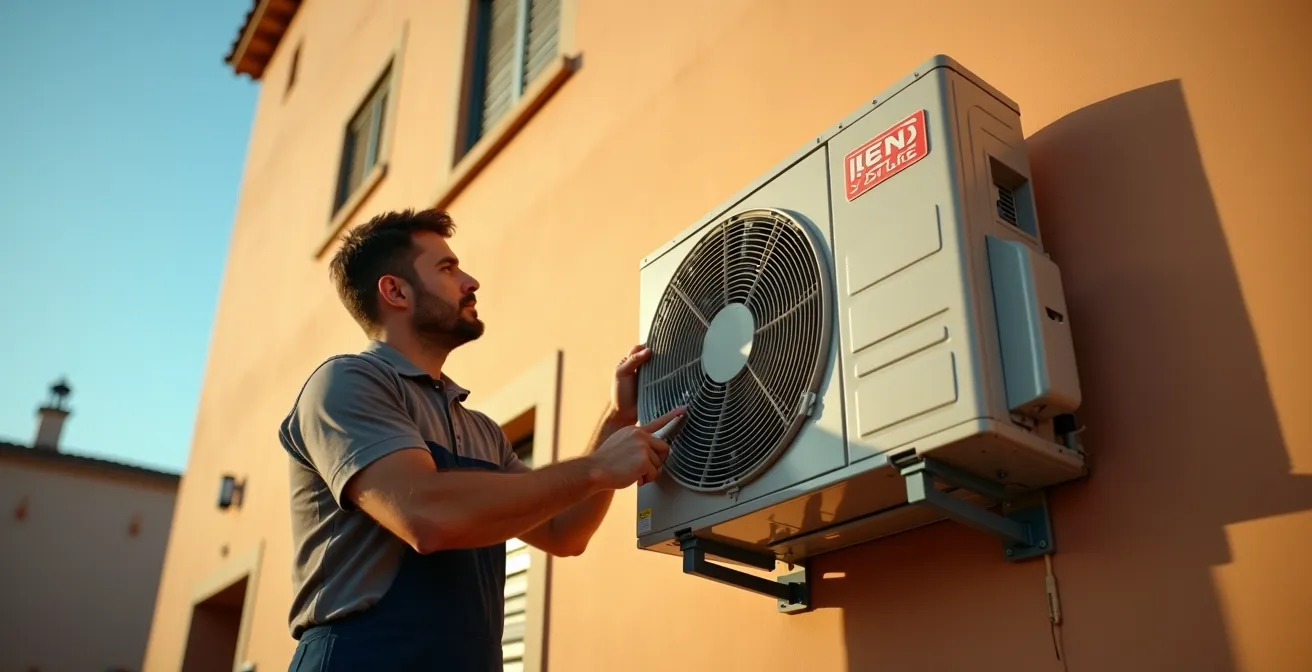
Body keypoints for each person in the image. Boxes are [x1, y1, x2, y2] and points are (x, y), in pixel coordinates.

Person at [277, 208, 683, 671]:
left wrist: (616, 419)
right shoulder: (345, 382)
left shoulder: (482, 432)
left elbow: (563, 532)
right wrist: (594, 468)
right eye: (447, 269)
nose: (470, 281)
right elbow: (424, 514)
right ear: (395, 290)